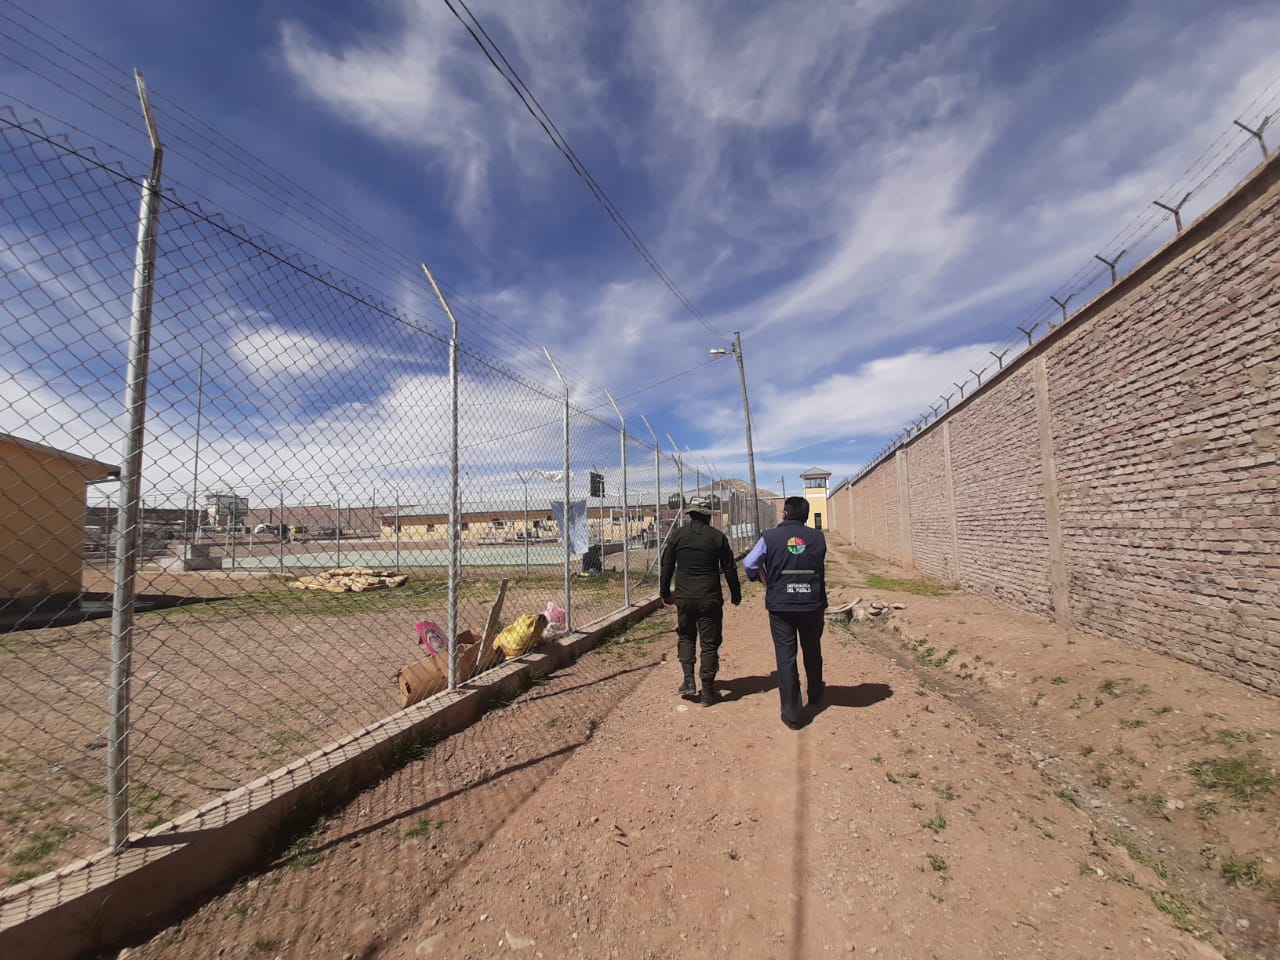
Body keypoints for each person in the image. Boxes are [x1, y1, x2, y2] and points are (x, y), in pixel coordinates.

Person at [742, 496, 827, 730]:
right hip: (812, 602)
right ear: (806, 516)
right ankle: (816, 691)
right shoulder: (818, 537)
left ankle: (791, 712)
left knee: (785, 655)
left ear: (785, 514)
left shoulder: (769, 537)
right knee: (812, 648)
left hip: (781, 605)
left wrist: (761, 579)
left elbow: (749, 563)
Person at [660, 496, 742, 706]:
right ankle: (707, 690)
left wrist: (665, 592)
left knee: (686, 636)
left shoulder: (678, 535)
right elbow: (729, 568)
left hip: (684, 597)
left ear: (690, 514)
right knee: (709, 643)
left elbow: (667, 565)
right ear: (707, 516)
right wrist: (735, 593)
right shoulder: (717, 537)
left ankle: (688, 681)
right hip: (709, 598)